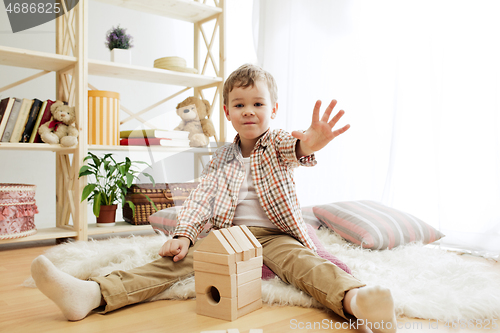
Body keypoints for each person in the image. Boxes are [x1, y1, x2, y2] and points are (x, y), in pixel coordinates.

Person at [31, 64, 397, 333]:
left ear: (274, 110)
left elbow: (296, 148)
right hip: (228, 237)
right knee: (172, 265)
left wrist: (309, 143)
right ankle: (93, 294)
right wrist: (185, 236)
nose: (249, 111)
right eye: (239, 105)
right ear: (226, 113)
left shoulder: (279, 143)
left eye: (258, 104)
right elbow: (201, 200)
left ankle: (358, 302)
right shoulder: (221, 157)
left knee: (307, 267)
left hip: (275, 236)